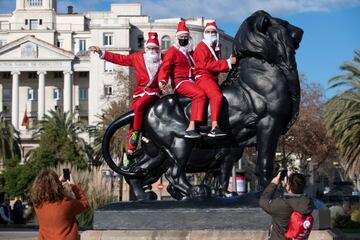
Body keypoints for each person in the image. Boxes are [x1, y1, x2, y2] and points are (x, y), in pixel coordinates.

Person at [90, 32, 162, 166]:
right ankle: (130, 152)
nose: (152, 51)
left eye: (155, 49)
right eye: (150, 48)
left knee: (140, 106)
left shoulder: (162, 59)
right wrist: (102, 53)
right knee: (134, 118)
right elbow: (120, 59)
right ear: (146, 48)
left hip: (154, 93)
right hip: (139, 92)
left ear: (158, 49)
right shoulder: (137, 57)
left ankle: (137, 136)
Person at [158, 20, 206, 138]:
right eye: (181, 37)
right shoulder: (172, 52)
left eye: (186, 37)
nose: (184, 39)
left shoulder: (190, 53)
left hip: (193, 80)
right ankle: (191, 127)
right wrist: (162, 80)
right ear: (177, 38)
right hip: (181, 82)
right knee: (199, 94)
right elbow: (165, 67)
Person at [193, 21, 237, 137]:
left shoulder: (215, 48)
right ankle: (214, 127)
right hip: (203, 77)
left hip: (212, 78)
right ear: (204, 33)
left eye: (213, 32)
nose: (211, 34)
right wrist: (228, 62)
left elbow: (217, 66)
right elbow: (207, 65)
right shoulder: (201, 47)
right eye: (208, 32)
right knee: (217, 96)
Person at [31, 169, 89, 240]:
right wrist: (73, 186)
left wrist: (57, 183)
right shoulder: (66, 203)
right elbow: (85, 203)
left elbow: (48, 194)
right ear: (56, 184)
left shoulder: (37, 204)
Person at [259, 172, 314, 240]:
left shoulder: (282, 204)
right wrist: (286, 187)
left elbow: (263, 201)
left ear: (289, 186)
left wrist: (273, 183)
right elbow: (292, 199)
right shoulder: (308, 202)